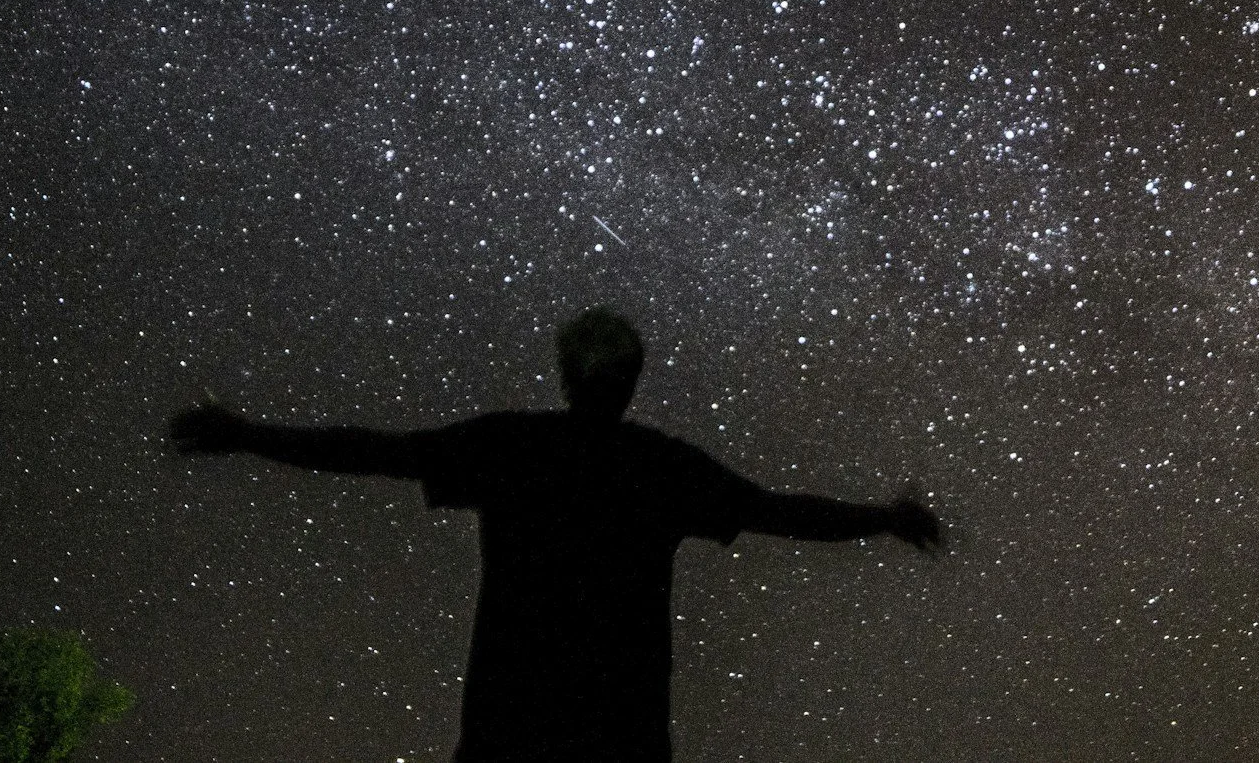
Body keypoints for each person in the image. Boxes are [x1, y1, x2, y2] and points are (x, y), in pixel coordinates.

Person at [170, 306, 943, 763]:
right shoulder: (662, 467)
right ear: (632, 380)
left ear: (566, 374)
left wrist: (249, 434)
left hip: (510, 727)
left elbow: (373, 451)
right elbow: (783, 511)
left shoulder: (512, 447)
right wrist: (882, 517)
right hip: (621, 735)